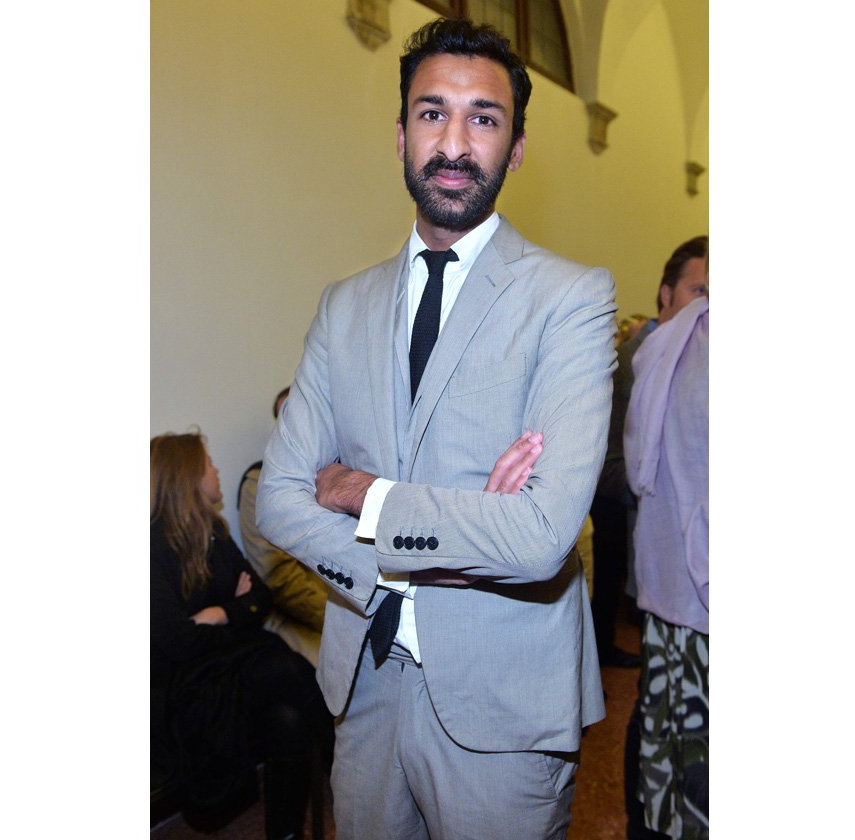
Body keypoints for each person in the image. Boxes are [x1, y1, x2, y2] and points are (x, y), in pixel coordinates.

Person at [256, 18, 616, 840]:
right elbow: (278, 500)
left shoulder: (570, 299)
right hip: (366, 690)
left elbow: (540, 538)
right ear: (400, 134)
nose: (454, 144)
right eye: (432, 113)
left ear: (516, 147)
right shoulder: (343, 306)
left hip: (502, 707)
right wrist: (443, 550)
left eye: (483, 118)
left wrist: (362, 493)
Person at [151, 430, 329, 840]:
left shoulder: (215, 533)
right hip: (186, 692)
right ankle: (347, 768)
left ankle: (285, 834)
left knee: (288, 719)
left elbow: (260, 599)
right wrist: (236, 614)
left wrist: (217, 615)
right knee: (283, 665)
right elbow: (178, 645)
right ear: (188, 476)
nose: (216, 471)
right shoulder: (150, 550)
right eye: (208, 464)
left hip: (226, 673)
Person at [591, 236, 708, 668]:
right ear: (666, 294)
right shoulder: (633, 360)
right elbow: (607, 462)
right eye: (699, 291)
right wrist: (664, 482)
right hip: (629, 521)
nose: (708, 305)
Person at [621, 293, 709, 840]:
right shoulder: (677, 348)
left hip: (677, 591)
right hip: (682, 598)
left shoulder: (678, 347)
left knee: (677, 771)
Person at [239, 387, 329, 666]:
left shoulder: (347, 474)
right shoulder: (259, 485)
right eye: (286, 418)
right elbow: (280, 577)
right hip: (305, 619)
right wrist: (340, 619)